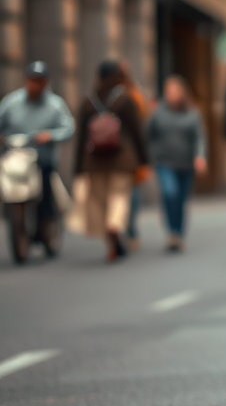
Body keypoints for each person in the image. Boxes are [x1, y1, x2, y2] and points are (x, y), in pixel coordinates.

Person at [72, 60, 149, 261]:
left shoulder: (88, 100)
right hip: (122, 159)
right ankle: (115, 226)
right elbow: (136, 130)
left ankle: (110, 242)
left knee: (99, 202)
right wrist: (143, 158)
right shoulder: (125, 99)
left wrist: (78, 166)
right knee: (119, 197)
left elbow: (81, 136)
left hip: (93, 161)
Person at [0, 61, 75, 246]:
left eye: (39, 81)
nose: (35, 85)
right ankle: (13, 216)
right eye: (32, 80)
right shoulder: (12, 102)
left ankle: (46, 219)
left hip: (42, 154)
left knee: (45, 173)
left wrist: (50, 135)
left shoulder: (55, 104)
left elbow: (68, 127)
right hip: (15, 152)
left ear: (46, 82)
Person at [146, 75, 208, 252]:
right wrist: (150, 155)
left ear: (182, 93)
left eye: (175, 91)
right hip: (164, 162)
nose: (171, 95)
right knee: (169, 193)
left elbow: (199, 137)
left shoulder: (192, 113)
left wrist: (200, 156)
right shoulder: (158, 112)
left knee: (181, 199)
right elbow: (148, 134)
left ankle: (178, 233)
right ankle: (171, 232)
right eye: (168, 91)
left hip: (186, 163)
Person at [120, 60, 150, 252]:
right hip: (124, 153)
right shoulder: (132, 95)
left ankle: (127, 227)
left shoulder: (134, 95)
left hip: (121, 154)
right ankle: (126, 228)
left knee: (129, 193)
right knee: (128, 193)